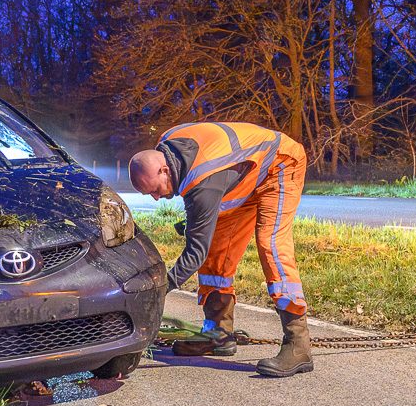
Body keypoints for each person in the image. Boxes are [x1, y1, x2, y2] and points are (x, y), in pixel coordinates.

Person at [128, 120, 312, 377]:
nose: (156, 198)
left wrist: (160, 289)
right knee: (216, 254)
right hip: (244, 175)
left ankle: (297, 343)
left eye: (155, 190)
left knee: (271, 246)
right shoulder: (169, 144)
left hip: (279, 163)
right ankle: (218, 334)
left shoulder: (203, 179)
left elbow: (194, 252)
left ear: (164, 170)